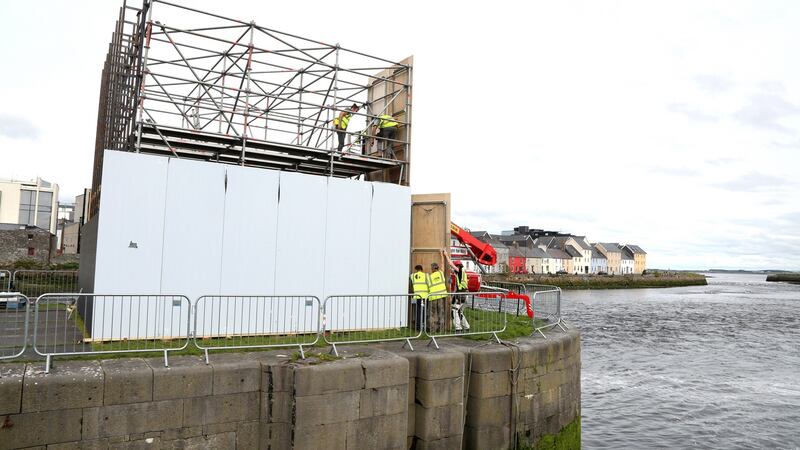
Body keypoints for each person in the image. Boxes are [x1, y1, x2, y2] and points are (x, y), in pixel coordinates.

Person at [444, 253, 470, 332]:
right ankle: (467, 326)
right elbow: (457, 287)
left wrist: (446, 255)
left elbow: (451, 264)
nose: (453, 270)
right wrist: (453, 296)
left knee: (454, 311)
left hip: (461, 295)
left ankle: (458, 328)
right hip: (463, 294)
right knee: (459, 311)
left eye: (455, 267)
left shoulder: (460, 271)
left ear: (458, 266)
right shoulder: (461, 274)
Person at [426, 261, 449, 333]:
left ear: (433, 268)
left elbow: (428, 286)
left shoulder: (429, 277)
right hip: (441, 297)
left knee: (431, 313)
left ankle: (432, 329)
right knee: (441, 313)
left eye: (431, 268)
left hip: (433, 297)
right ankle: (441, 329)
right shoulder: (441, 274)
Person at [409, 264, 428, 330]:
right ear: (422, 269)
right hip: (425, 297)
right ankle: (423, 325)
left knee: (417, 311)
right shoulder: (426, 275)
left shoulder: (412, 276)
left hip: (416, 296)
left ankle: (418, 326)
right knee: (424, 311)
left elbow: (411, 286)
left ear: (416, 269)